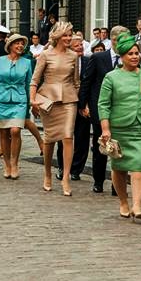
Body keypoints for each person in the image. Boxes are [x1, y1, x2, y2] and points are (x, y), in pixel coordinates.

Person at [98, 32, 141, 222]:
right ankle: (123, 202)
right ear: (122, 56)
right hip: (119, 127)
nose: (135, 57)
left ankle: (137, 205)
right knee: (119, 167)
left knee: (139, 165)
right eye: (130, 54)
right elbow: (103, 104)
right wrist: (105, 128)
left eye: (137, 53)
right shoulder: (111, 77)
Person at [31, 22, 80, 196]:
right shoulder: (45, 54)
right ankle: (47, 173)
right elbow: (35, 80)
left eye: (70, 35)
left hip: (69, 100)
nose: (68, 38)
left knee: (68, 136)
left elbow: (76, 81)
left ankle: (65, 177)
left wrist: (76, 96)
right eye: (65, 35)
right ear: (57, 37)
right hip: (49, 100)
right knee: (49, 139)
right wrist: (32, 100)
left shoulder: (74, 55)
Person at [79, 25, 129, 194]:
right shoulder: (98, 57)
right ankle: (98, 180)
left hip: (122, 108)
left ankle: (118, 185)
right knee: (101, 143)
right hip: (100, 108)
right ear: (113, 40)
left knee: (120, 145)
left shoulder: (130, 58)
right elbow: (87, 81)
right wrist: (83, 104)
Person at [0, 34, 32, 180]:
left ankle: (15, 163)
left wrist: (31, 102)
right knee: (4, 133)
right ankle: (7, 164)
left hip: (19, 100)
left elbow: (29, 83)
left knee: (15, 130)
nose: (20, 46)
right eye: (17, 43)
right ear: (10, 46)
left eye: (22, 44)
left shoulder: (27, 62)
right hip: (1, 100)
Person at [55, 32, 90, 181]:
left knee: (82, 139)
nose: (80, 47)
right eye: (76, 46)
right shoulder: (63, 62)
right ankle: (63, 167)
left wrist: (86, 104)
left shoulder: (89, 61)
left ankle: (76, 169)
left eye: (81, 44)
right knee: (64, 137)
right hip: (66, 104)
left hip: (83, 106)